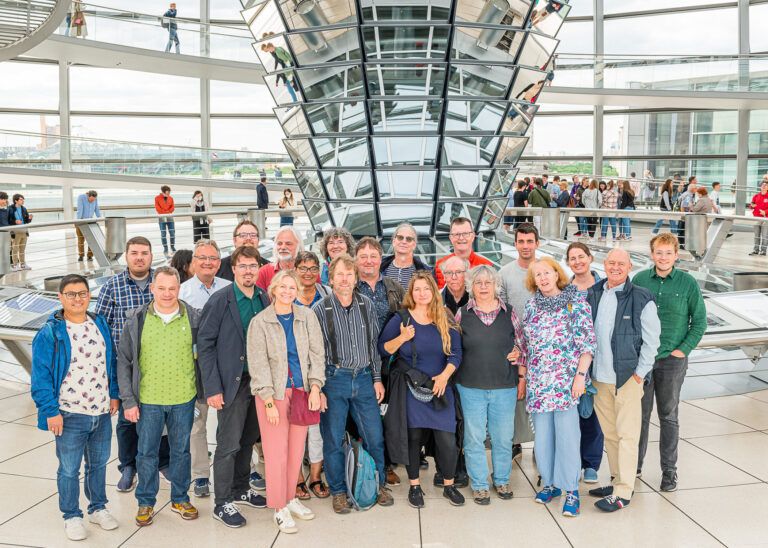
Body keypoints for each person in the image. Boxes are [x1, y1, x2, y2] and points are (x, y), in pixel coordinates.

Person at [31, 274, 120, 541]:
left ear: (88, 295)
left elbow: (110, 362)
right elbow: (40, 377)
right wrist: (50, 411)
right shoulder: (51, 333)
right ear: (60, 298)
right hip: (69, 413)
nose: (77, 299)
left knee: (98, 464)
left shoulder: (99, 323)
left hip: (101, 411)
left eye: (81, 293)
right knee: (69, 469)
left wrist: (113, 395)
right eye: (71, 294)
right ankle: (71, 515)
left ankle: (98, 507)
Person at [116, 266, 201, 527]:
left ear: (179, 288)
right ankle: (145, 502)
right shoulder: (137, 319)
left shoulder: (193, 317)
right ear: (152, 288)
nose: (167, 293)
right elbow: (125, 362)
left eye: (172, 288)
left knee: (181, 451)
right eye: (161, 288)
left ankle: (180, 497)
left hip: (183, 398)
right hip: (149, 399)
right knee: (146, 453)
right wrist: (128, 401)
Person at [311, 255, 394, 513]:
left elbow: (373, 346)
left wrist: (378, 379)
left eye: (349, 273)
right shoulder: (320, 309)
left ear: (355, 277)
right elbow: (316, 352)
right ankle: (338, 491)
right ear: (331, 279)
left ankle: (377, 484)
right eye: (340, 274)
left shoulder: (366, 305)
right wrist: (318, 387)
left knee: (374, 436)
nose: (345, 278)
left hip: (364, 379)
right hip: (334, 379)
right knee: (333, 439)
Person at [249, 270, 326, 533]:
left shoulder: (306, 316)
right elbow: (257, 364)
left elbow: (317, 353)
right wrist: (268, 401)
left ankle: (291, 498)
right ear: (273, 289)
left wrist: (316, 386)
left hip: (302, 392)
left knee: (295, 451)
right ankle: (278, 506)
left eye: (292, 288)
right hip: (274, 395)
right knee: (275, 453)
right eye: (282, 287)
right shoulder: (260, 322)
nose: (287, 292)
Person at [379, 272, 464, 509]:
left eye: (426, 289)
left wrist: (445, 376)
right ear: (411, 293)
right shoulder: (401, 318)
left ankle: (449, 485)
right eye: (417, 289)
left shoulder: (444, 317)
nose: (422, 293)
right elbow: (383, 349)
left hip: (439, 385)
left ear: (433, 292)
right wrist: (402, 338)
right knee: (413, 438)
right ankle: (415, 486)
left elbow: (456, 353)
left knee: (447, 439)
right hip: (411, 387)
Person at [198, 246, 269, 528]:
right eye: (243, 266)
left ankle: (241, 488)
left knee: (247, 441)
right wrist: (212, 388)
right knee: (227, 445)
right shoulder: (221, 300)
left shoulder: (263, 298)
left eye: (253, 266)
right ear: (234, 269)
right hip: (231, 384)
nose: (249, 271)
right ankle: (222, 502)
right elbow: (204, 346)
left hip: (258, 384)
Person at [586, 248, 660, 512]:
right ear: (604, 264)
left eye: (621, 263)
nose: (615, 267)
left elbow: (652, 342)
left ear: (630, 267)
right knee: (611, 435)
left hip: (627, 378)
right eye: (611, 262)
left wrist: (640, 374)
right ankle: (617, 479)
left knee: (628, 436)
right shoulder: (593, 293)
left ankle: (624, 491)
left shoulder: (641, 297)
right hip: (599, 378)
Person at [94, 236, 169, 493]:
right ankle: (128, 465)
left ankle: (163, 461)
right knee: (128, 418)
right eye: (134, 252)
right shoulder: (112, 287)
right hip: (124, 365)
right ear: (126, 256)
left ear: (151, 255)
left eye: (144, 253)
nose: (139, 257)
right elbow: (101, 327)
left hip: (159, 364)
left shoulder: (162, 282)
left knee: (161, 415)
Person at [522, 257, 595, 517]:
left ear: (556, 274)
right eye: (537, 274)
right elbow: (525, 345)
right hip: (539, 386)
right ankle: (550, 484)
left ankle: (571, 491)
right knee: (542, 441)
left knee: (567, 438)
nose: (542, 278)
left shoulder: (575, 303)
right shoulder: (531, 307)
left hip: (566, 384)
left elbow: (587, 344)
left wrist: (579, 377)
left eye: (546, 273)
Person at [634, 233, 706, 492]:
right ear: (651, 254)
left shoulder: (688, 283)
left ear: (676, 255)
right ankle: (635, 466)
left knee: (668, 416)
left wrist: (682, 350)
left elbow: (699, 322)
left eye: (668, 253)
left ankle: (669, 471)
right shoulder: (640, 280)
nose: (663, 257)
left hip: (671, 361)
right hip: (643, 361)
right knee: (639, 416)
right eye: (658, 252)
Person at [454, 265, 525, 505]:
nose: (483, 287)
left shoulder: (510, 313)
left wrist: (517, 353)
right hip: (470, 386)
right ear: (470, 287)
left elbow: (523, 343)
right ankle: (480, 484)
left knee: (503, 437)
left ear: (496, 285)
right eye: (478, 283)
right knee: (474, 438)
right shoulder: (462, 314)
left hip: (504, 386)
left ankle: (502, 479)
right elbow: (453, 349)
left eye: (488, 282)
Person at [178, 239, 232, 497]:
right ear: (193, 263)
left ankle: (236, 470)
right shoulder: (182, 292)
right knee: (197, 425)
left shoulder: (230, 288)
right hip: (195, 370)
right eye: (202, 258)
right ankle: (200, 476)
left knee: (231, 423)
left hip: (227, 368)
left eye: (212, 258)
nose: (208, 262)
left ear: (219, 263)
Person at [292, 251, 330, 499]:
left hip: (318, 369)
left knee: (316, 428)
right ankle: (295, 478)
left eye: (312, 268)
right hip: (292, 372)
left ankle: (315, 477)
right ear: (295, 269)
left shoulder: (325, 294)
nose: (308, 272)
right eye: (303, 268)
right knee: (294, 430)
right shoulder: (285, 294)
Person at [499, 223, 539, 454]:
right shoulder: (505, 273)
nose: (525, 246)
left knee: (539, 394)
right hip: (515, 344)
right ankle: (515, 441)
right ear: (515, 244)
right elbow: (502, 310)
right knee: (516, 394)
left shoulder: (544, 270)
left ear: (537, 243)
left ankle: (540, 443)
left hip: (542, 345)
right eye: (521, 241)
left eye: (529, 241)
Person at [566, 242, 604, 484]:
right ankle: (571, 460)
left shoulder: (605, 287)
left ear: (590, 258)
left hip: (598, 359)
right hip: (570, 360)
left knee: (592, 413)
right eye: (573, 258)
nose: (578, 261)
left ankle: (591, 463)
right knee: (571, 413)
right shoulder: (564, 290)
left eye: (581, 256)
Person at [434, 217, 492, 289]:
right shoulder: (440, 265)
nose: (461, 238)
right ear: (451, 238)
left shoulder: (486, 266)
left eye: (465, 233)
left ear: (473, 236)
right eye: (457, 234)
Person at [381, 223, 430, 289]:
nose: (404, 241)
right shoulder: (379, 268)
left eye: (409, 239)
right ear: (393, 241)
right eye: (400, 237)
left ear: (414, 245)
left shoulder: (427, 272)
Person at [75, 190, 101, 262]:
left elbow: (96, 209)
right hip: (81, 221)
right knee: (81, 239)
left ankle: (90, 256)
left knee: (91, 240)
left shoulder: (95, 199)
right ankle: (81, 255)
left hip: (90, 222)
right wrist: (78, 221)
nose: (93, 201)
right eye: (91, 200)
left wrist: (100, 217)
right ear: (88, 196)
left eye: (94, 200)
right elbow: (80, 210)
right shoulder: (81, 197)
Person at [9, 193, 32, 271]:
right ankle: (14, 265)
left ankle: (22, 264)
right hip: (15, 230)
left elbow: (26, 221)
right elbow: (8, 220)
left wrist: (29, 219)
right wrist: (15, 221)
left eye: (23, 199)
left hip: (23, 230)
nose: (23, 201)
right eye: (21, 199)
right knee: (15, 248)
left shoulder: (23, 208)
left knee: (22, 248)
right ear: (16, 200)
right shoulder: (10, 208)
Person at [154, 185, 176, 257]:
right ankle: (165, 248)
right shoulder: (157, 198)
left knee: (172, 233)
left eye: (169, 193)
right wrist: (166, 212)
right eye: (167, 193)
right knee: (163, 234)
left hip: (170, 217)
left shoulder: (171, 198)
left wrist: (168, 212)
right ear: (163, 192)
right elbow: (158, 208)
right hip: (161, 217)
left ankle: (172, 247)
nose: (168, 194)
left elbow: (172, 207)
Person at [748, 179, 768, 256]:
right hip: (756, 218)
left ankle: (763, 251)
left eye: (765, 185)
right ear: (760, 187)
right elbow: (751, 206)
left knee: (765, 235)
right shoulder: (756, 196)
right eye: (762, 185)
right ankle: (755, 250)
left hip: (766, 218)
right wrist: (752, 206)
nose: (764, 186)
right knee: (756, 235)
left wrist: (765, 212)